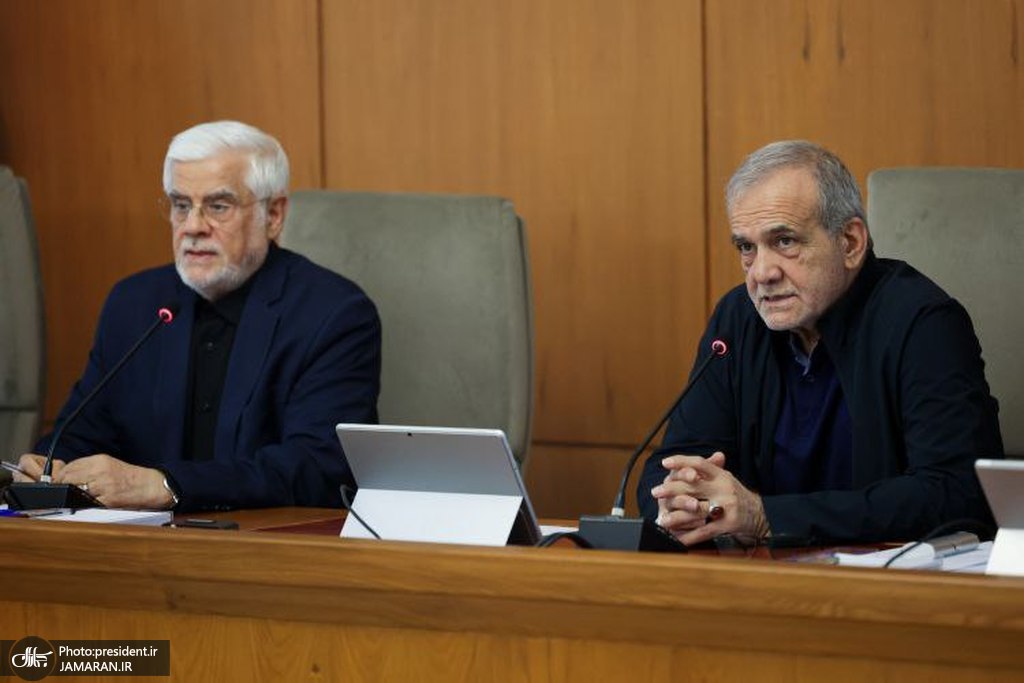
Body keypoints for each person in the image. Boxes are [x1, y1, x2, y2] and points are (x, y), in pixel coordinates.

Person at [638, 140, 1003, 545]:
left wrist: (766, 517)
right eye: (746, 247)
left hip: (886, 574)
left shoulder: (923, 323)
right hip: (763, 573)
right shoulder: (738, 318)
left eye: (785, 241)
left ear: (850, 242)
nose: (761, 273)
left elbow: (956, 492)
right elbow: (670, 465)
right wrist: (681, 501)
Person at [14, 121, 381, 511]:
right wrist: (51, 465)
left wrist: (167, 485)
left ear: (273, 215)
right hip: (136, 539)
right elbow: (83, 432)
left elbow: (318, 467)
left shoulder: (333, 313)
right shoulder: (134, 303)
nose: (192, 227)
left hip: (268, 537)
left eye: (218, 206)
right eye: (181, 205)